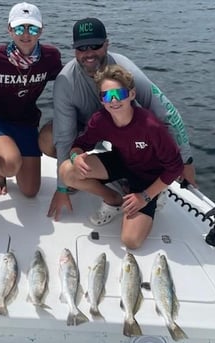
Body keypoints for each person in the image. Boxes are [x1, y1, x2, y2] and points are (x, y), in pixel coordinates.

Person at [39, 17, 196, 221]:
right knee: (48, 138)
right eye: (81, 48)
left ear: (106, 44)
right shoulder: (65, 81)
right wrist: (62, 187)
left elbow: (168, 113)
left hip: (126, 131)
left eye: (95, 46)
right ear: (74, 50)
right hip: (89, 131)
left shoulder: (124, 69)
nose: (88, 53)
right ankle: (110, 195)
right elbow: (64, 135)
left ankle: (139, 181)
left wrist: (187, 160)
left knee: (132, 239)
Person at [59, 64, 184, 249]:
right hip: (121, 161)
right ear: (101, 100)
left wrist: (145, 196)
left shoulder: (150, 126)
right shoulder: (100, 120)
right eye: (108, 96)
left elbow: (175, 167)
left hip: (147, 177)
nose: (114, 101)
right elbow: (80, 145)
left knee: (131, 241)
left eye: (120, 94)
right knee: (67, 171)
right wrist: (76, 156)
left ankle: (158, 194)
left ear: (132, 94)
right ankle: (114, 199)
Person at [0, 2, 62, 197]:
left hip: (26, 122)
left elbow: (68, 79)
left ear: (41, 31)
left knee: (30, 191)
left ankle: (7, 156)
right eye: (19, 28)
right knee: (9, 165)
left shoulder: (51, 57)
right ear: (9, 29)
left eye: (32, 28)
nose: (26, 34)